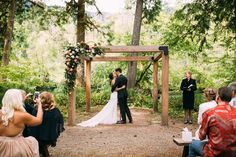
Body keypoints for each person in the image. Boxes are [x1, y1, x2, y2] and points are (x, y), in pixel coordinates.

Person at [188, 87, 236, 157]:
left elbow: (201, 137)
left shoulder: (209, 113)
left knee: (192, 144)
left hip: (214, 153)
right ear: (231, 97)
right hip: (233, 153)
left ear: (218, 97)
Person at [0, 89, 43, 157]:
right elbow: (38, 120)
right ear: (18, 100)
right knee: (33, 141)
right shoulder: (22, 115)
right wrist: (39, 104)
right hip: (16, 148)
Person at [29, 92, 64, 157]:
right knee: (43, 150)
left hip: (37, 136)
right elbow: (60, 123)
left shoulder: (36, 110)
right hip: (50, 136)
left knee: (42, 149)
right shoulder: (55, 111)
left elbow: (32, 125)